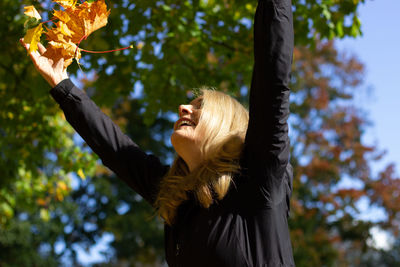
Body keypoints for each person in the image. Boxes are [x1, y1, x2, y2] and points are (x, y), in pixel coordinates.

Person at [21, 0, 295, 265]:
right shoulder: (176, 198)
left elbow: (272, 81)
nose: (183, 107)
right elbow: (115, 149)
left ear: (226, 127)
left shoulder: (259, 182)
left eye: (199, 106)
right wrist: (61, 83)